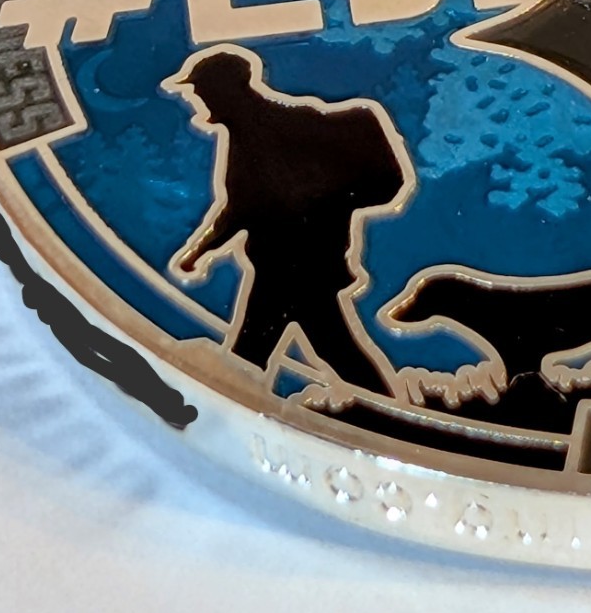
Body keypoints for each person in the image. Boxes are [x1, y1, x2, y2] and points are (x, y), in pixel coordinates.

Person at [164, 46, 409, 397]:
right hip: (287, 265)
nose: (197, 98)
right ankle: (388, 407)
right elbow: (243, 207)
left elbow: (249, 207)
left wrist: (201, 252)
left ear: (225, 88)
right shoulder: (247, 133)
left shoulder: (285, 127)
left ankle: (388, 409)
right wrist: (201, 251)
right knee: (321, 348)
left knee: (263, 354)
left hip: (295, 265)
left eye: (201, 90)